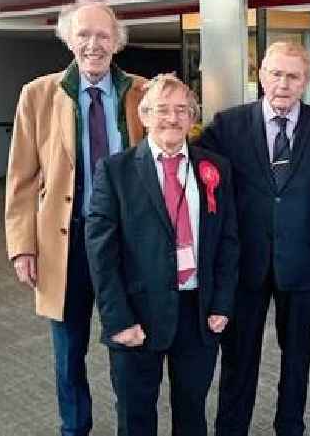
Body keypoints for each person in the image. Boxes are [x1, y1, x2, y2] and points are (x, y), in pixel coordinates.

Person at [4, 0, 146, 436]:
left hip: (130, 246)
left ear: (116, 42)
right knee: (69, 354)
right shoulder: (39, 94)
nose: (93, 44)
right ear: (69, 38)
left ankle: (132, 427)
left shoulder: (142, 92)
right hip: (66, 244)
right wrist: (22, 246)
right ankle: (74, 429)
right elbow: (21, 177)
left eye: (103, 35)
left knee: (130, 348)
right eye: (83, 34)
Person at [85, 74, 239, 436]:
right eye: (162, 110)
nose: (172, 118)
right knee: (136, 418)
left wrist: (222, 303)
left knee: (192, 414)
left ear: (192, 117)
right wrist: (118, 320)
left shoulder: (215, 167)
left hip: (198, 313)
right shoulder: (115, 170)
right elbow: (101, 253)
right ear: (144, 115)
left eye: (182, 110)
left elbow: (228, 241)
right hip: (137, 314)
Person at [197, 42, 310, 436]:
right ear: (261, 75)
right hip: (245, 266)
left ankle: (290, 427)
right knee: (239, 360)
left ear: (306, 80)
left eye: (293, 76)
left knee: (297, 359)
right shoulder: (227, 125)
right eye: (276, 74)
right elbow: (187, 167)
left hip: (304, 266)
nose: (283, 84)